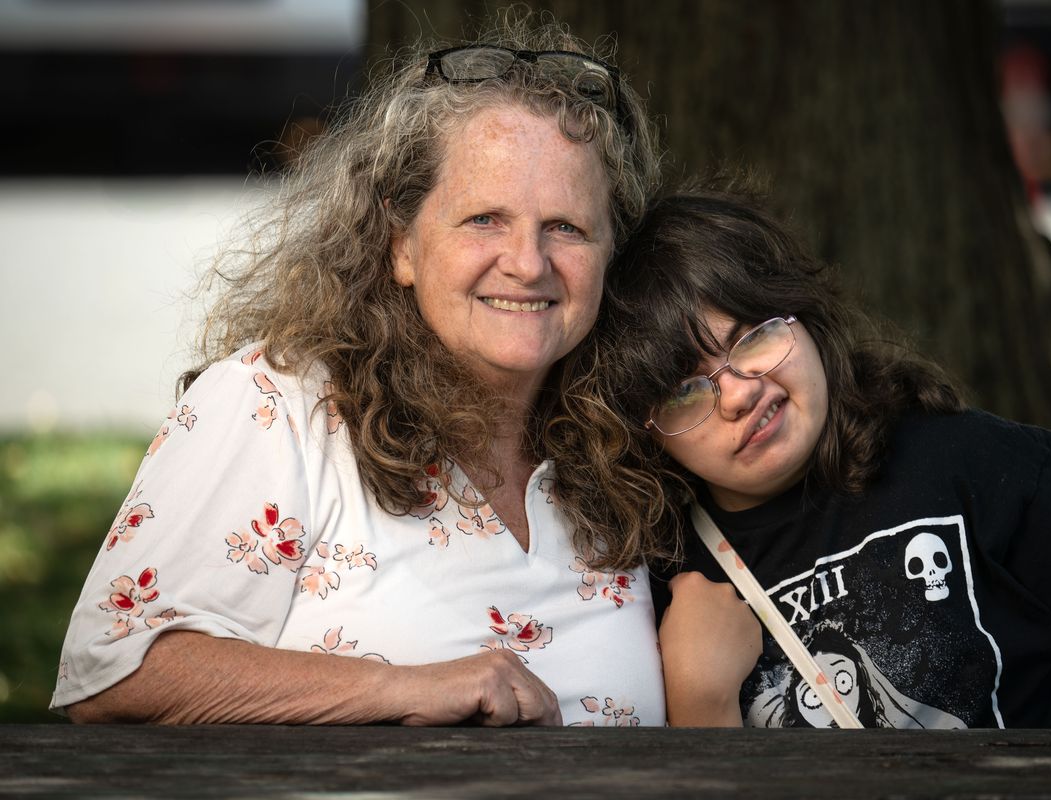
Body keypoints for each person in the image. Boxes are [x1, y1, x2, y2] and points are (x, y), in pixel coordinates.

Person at [51, 15, 672, 727]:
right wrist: (412, 689)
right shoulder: (278, 405)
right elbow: (112, 675)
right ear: (400, 243)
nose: (528, 262)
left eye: (565, 226)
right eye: (484, 220)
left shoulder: (627, 448)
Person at [585, 187, 1051, 728]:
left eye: (755, 335)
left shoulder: (987, 468)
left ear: (804, 315)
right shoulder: (658, 587)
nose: (741, 392)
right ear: (646, 435)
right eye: (685, 390)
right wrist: (699, 700)